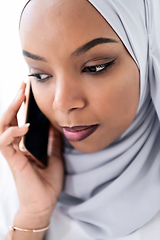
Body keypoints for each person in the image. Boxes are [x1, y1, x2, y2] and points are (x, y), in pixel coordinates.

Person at [0, 0, 160, 239]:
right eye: (40, 74)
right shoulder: (17, 187)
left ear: (147, 54)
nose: (61, 103)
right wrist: (32, 217)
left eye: (95, 67)